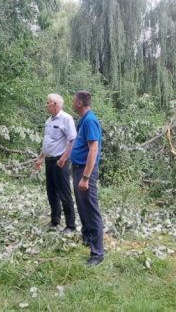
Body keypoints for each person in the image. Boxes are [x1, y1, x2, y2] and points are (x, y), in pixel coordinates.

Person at [70, 90, 105, 266]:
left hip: (86, 171)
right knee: (83, 208)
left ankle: (97, 253)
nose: (71, 102)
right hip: (78, 169)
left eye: (73, 100)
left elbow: (93, 150)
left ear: (79, 103)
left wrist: (85, 177)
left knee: (91, 209)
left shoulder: (90, 120)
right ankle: (88, 238)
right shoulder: (83, 121)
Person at [34, 94, 77, 234]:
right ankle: (55, 219)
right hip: (49, 160)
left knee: (64, 193)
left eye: (48, 103)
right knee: (51, 191)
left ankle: (71, 225)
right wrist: (40, 158)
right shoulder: (48, 121)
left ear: (56, 104)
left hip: (60, 161)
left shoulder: (66, 118)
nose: (46, 105)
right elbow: (46, 142)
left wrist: (64, 158)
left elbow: (72, 140)